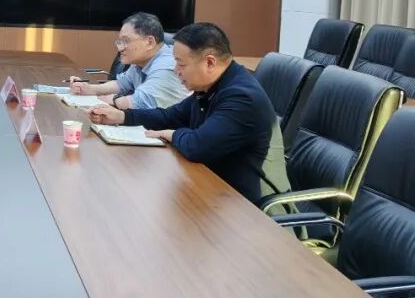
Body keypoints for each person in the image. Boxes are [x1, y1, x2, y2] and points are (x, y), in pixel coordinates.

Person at [88, 22, 288, 206]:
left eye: (181, 64)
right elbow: (170, 116)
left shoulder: (242, 98)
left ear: (209, 63)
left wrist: (171, 134)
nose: (176, 71)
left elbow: (198, 146)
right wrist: (122, 117)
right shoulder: (211, 86)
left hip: (255, 210)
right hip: (216, 193)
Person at [69, 12, 188, 110]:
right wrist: (89, 89)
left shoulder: (167, 65)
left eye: (126, 41)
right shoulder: (141, 62)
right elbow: (122, 84)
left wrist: (113, 100)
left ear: (150, 42)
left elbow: (141, 102)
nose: (120, 48)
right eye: (120, 42)